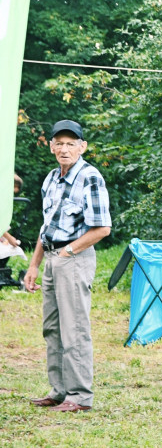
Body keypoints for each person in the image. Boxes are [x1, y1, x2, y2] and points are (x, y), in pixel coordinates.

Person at [23, 120, 111, 413]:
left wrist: (66, 253)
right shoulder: (51, 178)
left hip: (74, 258)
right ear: (51, 147)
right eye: (59, 143)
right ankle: (59, 391)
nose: (64, 148)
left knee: (74, 329)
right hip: (51, 258)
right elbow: (46, 226)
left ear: (82, 147)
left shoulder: (90, 177)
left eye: (71, 143)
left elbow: (102, 229)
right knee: (52, 328)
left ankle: (80, 397)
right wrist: (34, 265)